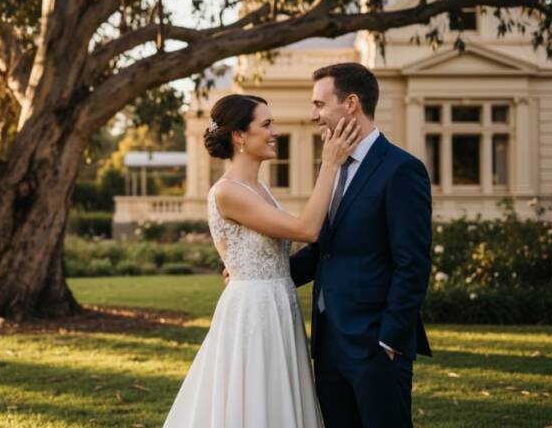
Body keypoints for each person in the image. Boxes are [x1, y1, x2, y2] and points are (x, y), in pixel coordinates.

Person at [224, 62, 434, 428]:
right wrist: (260, 272)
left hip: (376, 345)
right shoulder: (334, 167)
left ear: (350, 103)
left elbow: (412, 263)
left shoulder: (401, 170)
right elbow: (326, 249)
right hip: (329, 344)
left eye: (320, 105)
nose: (313, 115)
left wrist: (390, 342)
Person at [163, 92, 361, 428]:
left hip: (277, 302)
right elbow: (307, 229)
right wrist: (329, 164)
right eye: (266, 124)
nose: (276, 132)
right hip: (254, 310)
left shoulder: (259, 188)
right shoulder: (228, 192)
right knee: (255, 397)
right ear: (240, 136)